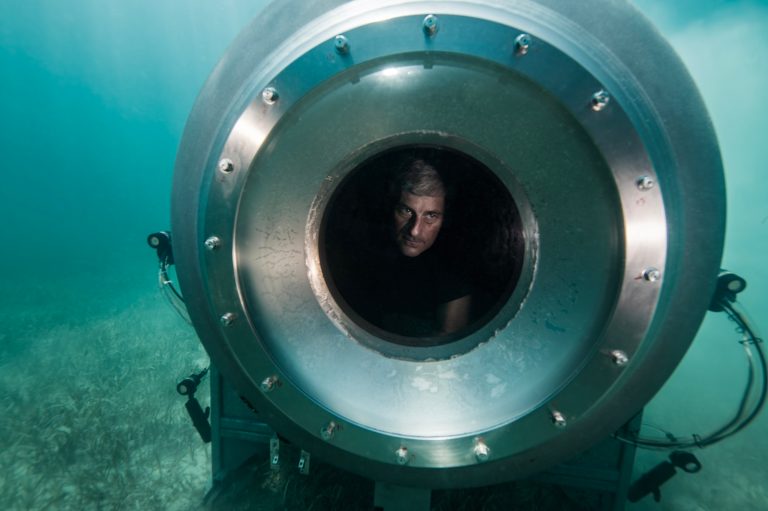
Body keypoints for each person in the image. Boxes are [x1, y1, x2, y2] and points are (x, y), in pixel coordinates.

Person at [331, 157, 473, 339]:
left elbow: (447, 348)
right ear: (391, 208)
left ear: (444, 219)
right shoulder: (357, 254)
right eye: (406, 211)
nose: (414, 231)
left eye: (430, 215)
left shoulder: (455, 274)